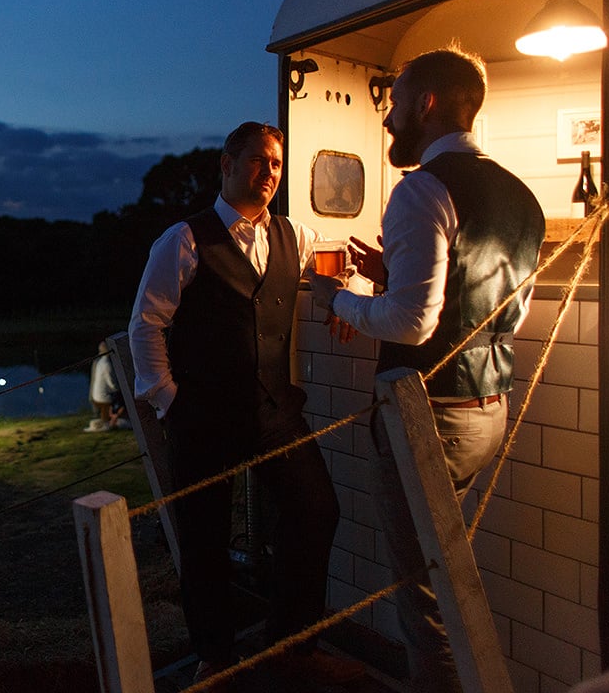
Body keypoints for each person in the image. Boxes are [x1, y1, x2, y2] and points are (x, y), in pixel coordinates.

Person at [310, 47, 545, 692]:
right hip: (490, 409)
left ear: (427, 104)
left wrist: (340, 299)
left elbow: (414, 326)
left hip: (430, 421)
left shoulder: (421, 189)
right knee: (445, 572)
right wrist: (393, 278)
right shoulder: (521, 196)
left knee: (424, 597)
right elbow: (490, 313)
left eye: (394, 104)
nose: (386, 120)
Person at [128, 121, 364, 688]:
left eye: (277, 165)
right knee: (205, 538)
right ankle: (214, 656)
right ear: (227, 166)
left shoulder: (294, 235)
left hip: (274, 412)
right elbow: (145, 326)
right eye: (259, 161)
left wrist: (346, 295)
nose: (270, 173)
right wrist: (168, 401)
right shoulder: (183, 240)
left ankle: (291, 641)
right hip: (201, 417)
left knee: (315, 509)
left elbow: (338, 269)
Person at [84, 340, 126, 433]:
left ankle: (110, 420)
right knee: (122, 397)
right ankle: (114, 420)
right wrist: (121, 389)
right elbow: (111, 383)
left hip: (97, 395)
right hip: (103, 397)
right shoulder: (107, 364)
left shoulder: (99, 362)